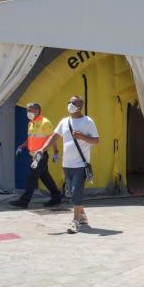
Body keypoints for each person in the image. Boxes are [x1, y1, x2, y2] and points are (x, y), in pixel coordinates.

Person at [38, 96, 99, 234]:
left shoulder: (87, 121)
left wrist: (82, 137)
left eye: (73, 102)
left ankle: (75, 221)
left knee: (76, 191)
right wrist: (43, 149)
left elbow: (96, 140)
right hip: (67, 164)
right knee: (70, 192)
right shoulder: (64, 121)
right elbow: (54, 136)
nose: (70, 104)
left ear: (80, 105)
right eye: (69, 102)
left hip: (80, 165)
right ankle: (82, 214)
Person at [10, 103, 62, 209]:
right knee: (45, 177)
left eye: (30, 110)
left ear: (38, 110)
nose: (28, 113)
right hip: (32, 155)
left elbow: (52, 139)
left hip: (40, 155)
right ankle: (56, 195)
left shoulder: (45, 122)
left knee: (32, 176)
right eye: (27, 110)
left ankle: (24, 201)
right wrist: (21, 146)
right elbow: (31, 139)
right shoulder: (31, 123)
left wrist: (56, 152)